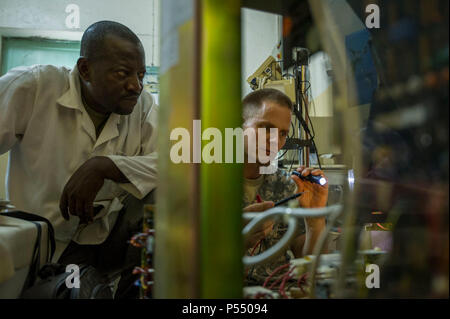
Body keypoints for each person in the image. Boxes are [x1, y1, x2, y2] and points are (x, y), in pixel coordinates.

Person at [0, 21, 158, 298]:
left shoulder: (142, 105)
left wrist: (107, 166)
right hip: (44, 245)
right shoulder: (34, 87)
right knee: (80, 291)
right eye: (122, 73)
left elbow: (179, 160)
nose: (136, 85)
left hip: (108, 239)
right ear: (85, 69)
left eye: (141, 74)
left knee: (165, 193)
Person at [241, 88, 328, 287]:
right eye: (265, 128)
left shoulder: (286, 186)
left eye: (282, 133)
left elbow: (311, 266)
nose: (275, 141)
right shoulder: (207, 186)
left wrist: (314, 220)